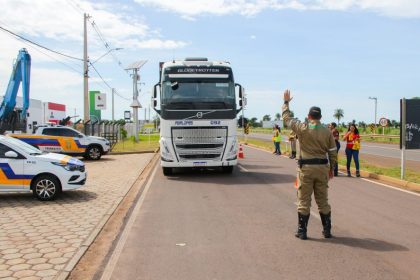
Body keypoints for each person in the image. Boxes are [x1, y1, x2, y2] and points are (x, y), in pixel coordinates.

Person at [282, 89, 337, 240]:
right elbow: (333, 151)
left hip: (306, 169)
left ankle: (302, 231)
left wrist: (286, 103)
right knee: (323, 201)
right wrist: (331, 168)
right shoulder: (327, 132)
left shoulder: (302, 127)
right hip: (322, 169)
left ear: (308, 116)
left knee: (304, 200)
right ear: (320, 117)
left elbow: (287, 119)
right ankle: (327, 230)